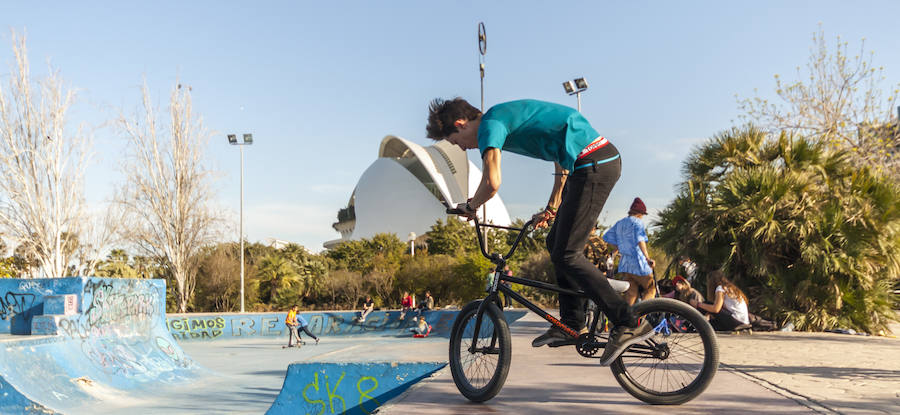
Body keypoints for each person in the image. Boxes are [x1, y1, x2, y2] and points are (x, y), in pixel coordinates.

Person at [426, 97, 650, 365]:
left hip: (595, 164)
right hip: (587, 164)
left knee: (568, 253)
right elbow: (561, 160)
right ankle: (570, 323)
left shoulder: (490, 125)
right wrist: (552, 207)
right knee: (556, 244)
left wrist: (472, 206)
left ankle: (627, 321)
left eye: (455, 141)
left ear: (461, 124)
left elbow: (492, 181)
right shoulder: (503, 120)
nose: (461, 148)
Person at [603, 198, 656, 305]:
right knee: (651, 287)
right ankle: (642, 314)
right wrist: (647, 258)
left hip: (625, 264)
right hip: (638, 263)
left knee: (631, 294)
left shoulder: (620, 223)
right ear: (639, 213)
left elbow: (607, 237)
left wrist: (619, 248)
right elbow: (640, 240)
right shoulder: (637, 223)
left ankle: (627, 318)